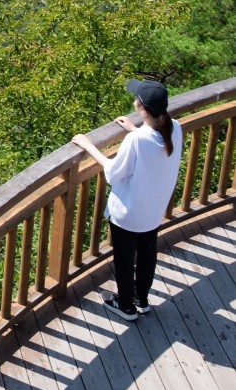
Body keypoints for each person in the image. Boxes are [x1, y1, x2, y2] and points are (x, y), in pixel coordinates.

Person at [71, 79, 183, 322]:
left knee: (124, 259)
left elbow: (113, 173)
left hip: (129, 214)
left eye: (136, 100)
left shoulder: (138, 140)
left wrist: (88, 146)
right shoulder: (175, 127)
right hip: (153, 210)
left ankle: (126, 307)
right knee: (146, 255)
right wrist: (135, 130)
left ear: (141, 108)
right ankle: (141, 299)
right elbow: (153, 148)